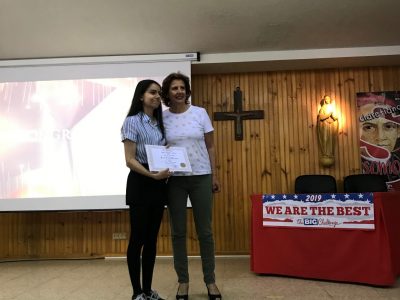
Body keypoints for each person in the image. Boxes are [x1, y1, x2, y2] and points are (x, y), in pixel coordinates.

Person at [161, 72, 222, 300]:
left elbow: (211, 146)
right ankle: (183, 282)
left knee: (205, 232)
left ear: (187, 91)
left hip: (201, 176)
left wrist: (214, 175)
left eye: (182, 88)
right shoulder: (163, 117)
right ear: (168, 92)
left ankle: (210, 281)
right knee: (178, 233)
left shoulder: (200, 113)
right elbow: (159, 147)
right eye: (174, 88)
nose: (179, 91)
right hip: (174, 179)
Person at [121, 79, 171, 300]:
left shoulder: (160, 123)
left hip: (159, 184)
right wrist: (151, 175)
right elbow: (129, 160)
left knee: (152, 240)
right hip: (141, 182)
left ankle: (148, 291)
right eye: (152, 92)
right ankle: (136, 293)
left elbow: (162, 153)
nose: (157, 96)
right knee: (138, 239)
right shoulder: (132, 121)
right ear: (141, 96)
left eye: (159, 93)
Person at [317, 95, 339, 167]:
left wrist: (333, 115)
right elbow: (321, 117)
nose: (327, 100)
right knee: (325, 139)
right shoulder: (323, 107)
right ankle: (325, 153)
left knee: (331, 139)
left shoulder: (332, 107)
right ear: (324, 100)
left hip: (331, 125)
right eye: (326, 99)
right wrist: (328, 114)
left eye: (328, 99)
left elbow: (335, 117)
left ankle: (330, 154)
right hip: (325, 124)